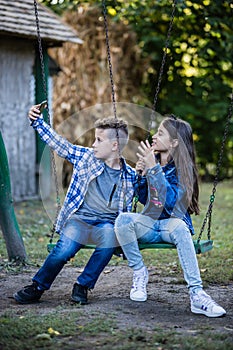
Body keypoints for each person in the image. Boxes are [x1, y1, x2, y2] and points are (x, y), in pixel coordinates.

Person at [13, 103, 140, 305]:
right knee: (63, 250)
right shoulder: (86, 158)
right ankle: (37, 286)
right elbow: (60, 145)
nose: (94, 144)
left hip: (105, 225)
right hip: (79, 220)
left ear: (115, 146)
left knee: (109, 240)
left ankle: (82, 285)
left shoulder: (130, 175)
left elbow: (149, 195)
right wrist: (37, 122)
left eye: (99, 140)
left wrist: (150, 168)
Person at [114, 115, 226, 318]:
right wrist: (140, 176)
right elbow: (145, 199)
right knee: (122, 220)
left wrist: (154, 170)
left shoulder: (184, 169)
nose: (154, 136)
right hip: (149, 224)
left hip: (170, 226)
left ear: (174, 142)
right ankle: (139, 272)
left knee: (180, 227)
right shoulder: (152, 161)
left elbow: (172, 203)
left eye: (161, 133)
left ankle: (197, 294)